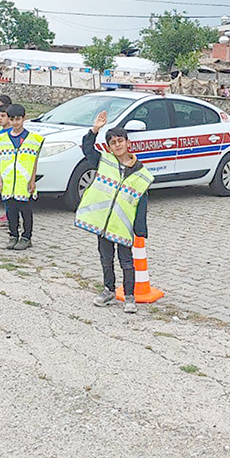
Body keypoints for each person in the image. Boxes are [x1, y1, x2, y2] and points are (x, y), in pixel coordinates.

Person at [77, 110, 153, 314]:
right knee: (105, 258)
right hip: (103, 223)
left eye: (120, 141)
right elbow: (87, 149)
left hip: (123, 225)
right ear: (109, 147)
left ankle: (129, 296)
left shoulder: (141, 173)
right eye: (113, 142)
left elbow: (141, 202)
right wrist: (95, 130)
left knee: (127, 262)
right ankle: (108, 290)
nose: (117, 145)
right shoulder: (105, 162)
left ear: (128, 143)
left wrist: (140, 229)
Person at [0, 104, 44, 250]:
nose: (15, 123)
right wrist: (1, 181)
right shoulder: (2, 139)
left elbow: (34, 161)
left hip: (24, 182)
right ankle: (13, 235)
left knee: (26, 211)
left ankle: (26, 237)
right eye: (12, 119)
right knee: (11, 211)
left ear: (24, 118)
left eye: (18, 119)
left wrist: (33, 180)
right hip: (8, 183)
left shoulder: (33, 139)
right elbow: (2, 163)